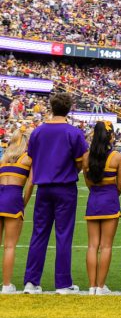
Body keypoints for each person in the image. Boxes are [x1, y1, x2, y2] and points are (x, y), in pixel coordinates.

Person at [23, 92, 87, 294]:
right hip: (65, 188)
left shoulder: (38, 132)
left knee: (39, 235)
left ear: (51, 107)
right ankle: (63, 283)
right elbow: (81, 161)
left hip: (43, 188)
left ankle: (31, 282)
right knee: (63, 236)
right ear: (69, 108)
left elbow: (32, 157)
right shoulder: (74, 132)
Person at [82, 120, 121, 295]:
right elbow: (120, 185)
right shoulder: (117, 157)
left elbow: (89, 183)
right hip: (110, 201)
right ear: (110, 136)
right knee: (106, 246)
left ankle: (92, 286)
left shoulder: (86, 157)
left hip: (94, 200)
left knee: (92, 246)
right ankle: (100, 287)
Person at [0, 126, 33, 293]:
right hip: (13, 198)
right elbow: (30, 184)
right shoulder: (28, 158)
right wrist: (24, 203)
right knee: (10, 246)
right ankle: (6, 285)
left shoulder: (3, 158)